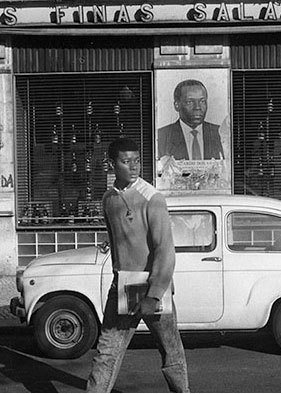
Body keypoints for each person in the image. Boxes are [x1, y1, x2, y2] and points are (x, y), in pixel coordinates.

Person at [87, 137, 190, 393]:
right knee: (107, 351)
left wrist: (153, 295)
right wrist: (116, 278)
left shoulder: (152, 198)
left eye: (136, 160)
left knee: (171, 352)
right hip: (122, 285)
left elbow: (165, 250)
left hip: (153, 287)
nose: (134, 167)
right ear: (112, 164)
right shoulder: (108, 199)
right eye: (126, 161)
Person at [158, 79, 225, 160]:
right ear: (177, 105)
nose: (197, 107)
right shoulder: (162, 136)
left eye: (202, 101)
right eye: (190, 102)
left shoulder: (221, 133)